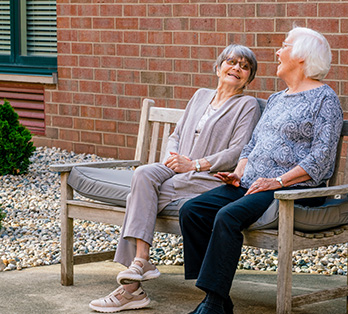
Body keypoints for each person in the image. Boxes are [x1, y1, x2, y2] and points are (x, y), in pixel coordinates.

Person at [179, 27, 344, 314]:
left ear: (303, 57)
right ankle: (217, 296)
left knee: (227, 216)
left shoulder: (324, 99)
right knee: (192, 210)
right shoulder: (278, 99)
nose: (277, 52)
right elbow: (253, 144)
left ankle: (214, 304)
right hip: (253, 184)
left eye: (284, 46)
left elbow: (322, 158)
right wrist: (240, 172)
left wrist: (277, 181)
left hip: (292, 189)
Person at [89, 44, 261, 313]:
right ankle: (141, 264)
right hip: (177, 167)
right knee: (144, 173)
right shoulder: (200, 95)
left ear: (249, 79)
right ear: (218, 68)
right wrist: (173, 156)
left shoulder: (247, 105)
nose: (236, 68)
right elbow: (177, 134)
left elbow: (238, 151)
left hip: (207, 176)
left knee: (138, 196)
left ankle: (132, 286)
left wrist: (194, 164)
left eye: (244, 66)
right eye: (231, 62)